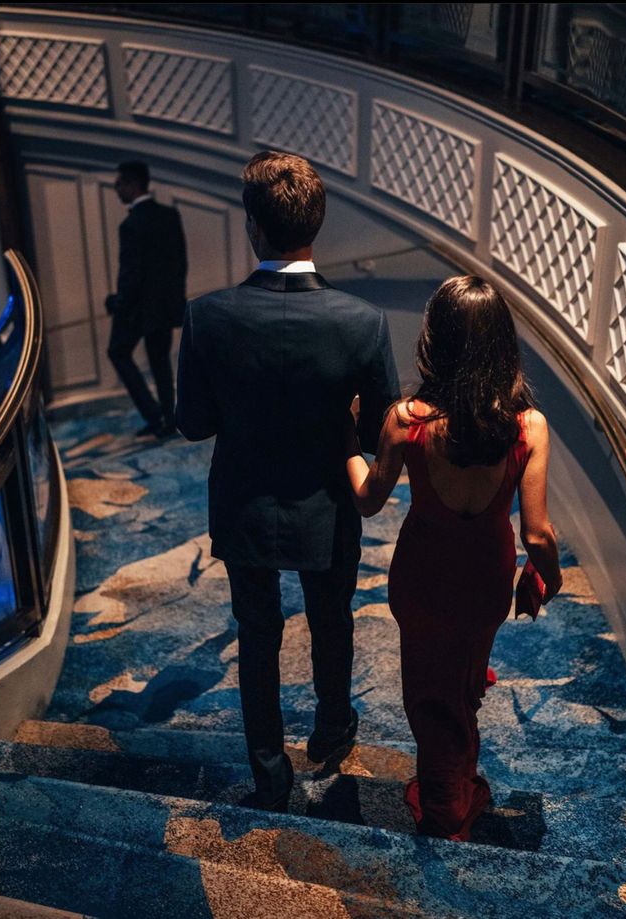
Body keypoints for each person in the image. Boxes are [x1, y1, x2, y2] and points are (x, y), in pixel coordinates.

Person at [176, 151, 400, 811]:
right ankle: (332, 730)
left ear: (253, 225)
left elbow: (192, 423)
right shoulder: (361, 322)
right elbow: (385, 422)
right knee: (331, 618)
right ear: (318, 222)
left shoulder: (207, 316)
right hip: (328, 501)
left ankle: (269, 775)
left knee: (257, 631)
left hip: (243, 499)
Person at [346, 275, 562, 840]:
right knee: (463, 682)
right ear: (501, 342)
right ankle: (460, 780)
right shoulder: (528, 425)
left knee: (427, 691)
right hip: (485, 576)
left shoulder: (406, 418)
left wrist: (346, 442)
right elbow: (537, 536)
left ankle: (445, 809)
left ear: (434, 340)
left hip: (422, 575)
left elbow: (368, 501)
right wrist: (547, 579)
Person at [106, 160, 187, 438]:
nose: (116, 189)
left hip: (137, 309)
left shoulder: (130, 225)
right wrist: (175, 303)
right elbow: (180, 264)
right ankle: (167, 418)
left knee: (117, 352)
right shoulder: (169, 215)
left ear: (132, 184)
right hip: (164, 307)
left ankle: (155, 415)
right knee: (161, 363)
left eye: (119, 184)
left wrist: (118, 303)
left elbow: (131, 274)